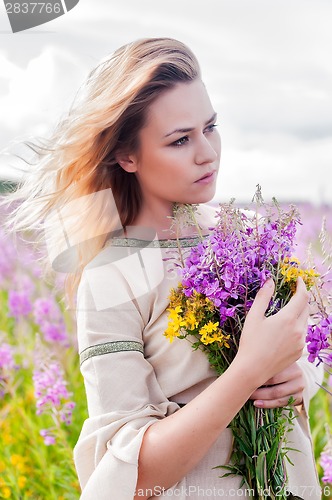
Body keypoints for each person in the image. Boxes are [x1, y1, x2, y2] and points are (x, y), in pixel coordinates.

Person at [3, 38, 322, 499]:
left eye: (210, 127)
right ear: (126, 156)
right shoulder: (112, 272)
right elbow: (133, 476)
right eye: (180, 140)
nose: (207, 153)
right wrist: (249, 369)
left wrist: (299, 378)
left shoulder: (252, 234)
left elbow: (303, 352)